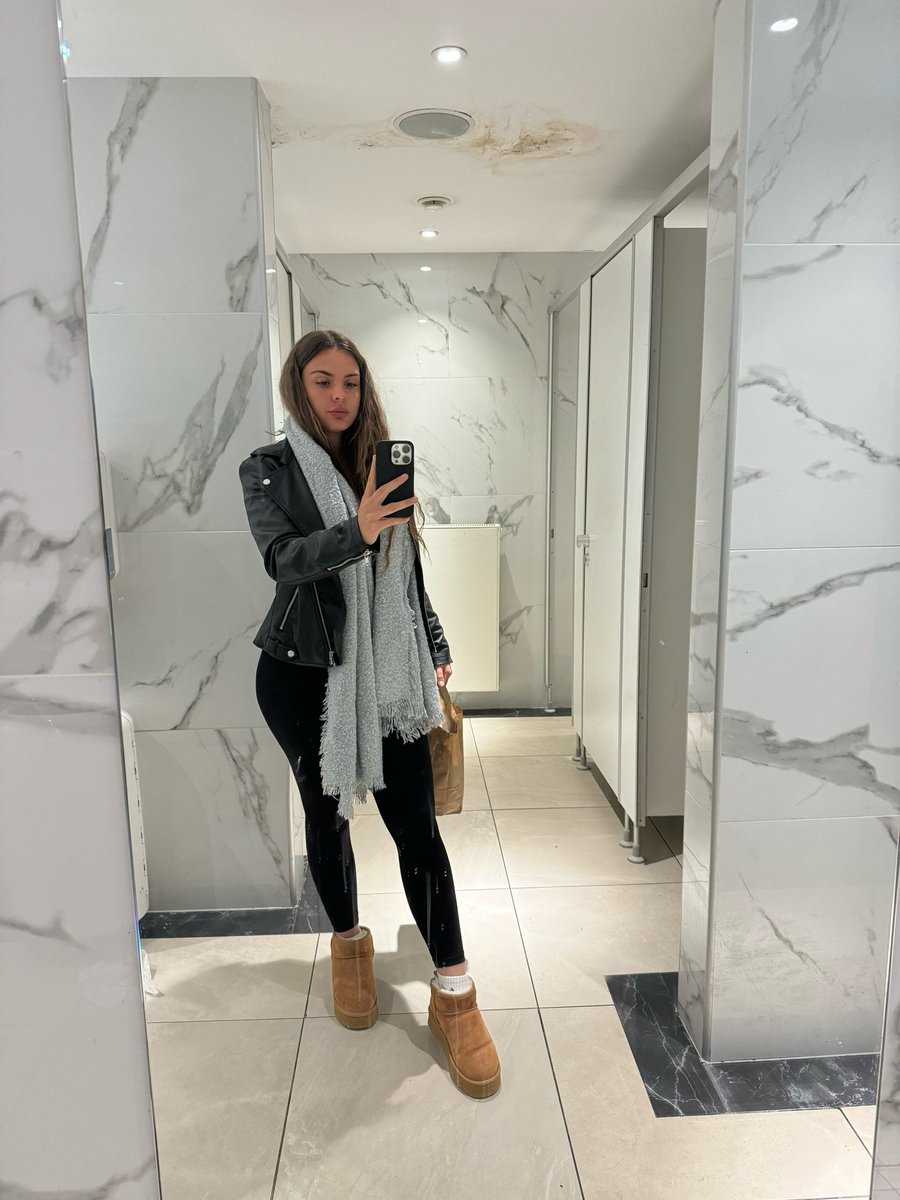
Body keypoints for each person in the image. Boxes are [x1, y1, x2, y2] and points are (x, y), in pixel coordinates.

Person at [240, 329, 500, 1099]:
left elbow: (406, 574)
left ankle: (454, 991)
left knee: (417, 829)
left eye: (350, 382)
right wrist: (355, 530)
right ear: (298, 386)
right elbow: (283, 561)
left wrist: (434, 643)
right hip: (299, 674)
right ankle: (349, 945)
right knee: (326, 820)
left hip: (387, 679)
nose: (339, 396)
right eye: (322, 381)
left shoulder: (379, 461)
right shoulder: (268, 468)